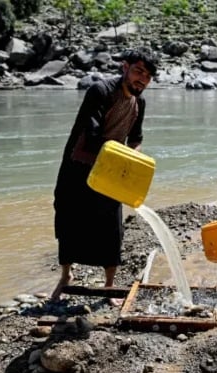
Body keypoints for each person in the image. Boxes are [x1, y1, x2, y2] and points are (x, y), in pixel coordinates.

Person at [50, 48, 158, 305]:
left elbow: (136, 139)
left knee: (110, 227)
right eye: (138, 71)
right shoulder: (100, 91)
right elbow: (93, 131)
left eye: (148, 75)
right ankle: (66, 276)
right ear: (125, 68)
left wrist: (133, 166)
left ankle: (109, 286)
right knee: (67, 219)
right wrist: (121, 156)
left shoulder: (139, 103)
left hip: (112, 168)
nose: (142, 79)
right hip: (78, 163)